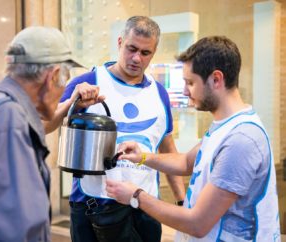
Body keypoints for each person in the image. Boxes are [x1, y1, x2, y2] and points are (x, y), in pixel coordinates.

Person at [106, 36, 281, 241]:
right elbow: (187, 161)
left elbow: (197, 223)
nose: (184, 91)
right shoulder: (225, 127)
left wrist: (136, 196)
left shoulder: (241, 140)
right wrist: (142, 157)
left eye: (190, 82)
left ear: (216, 79)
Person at [46, 16, 185, 242]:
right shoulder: (88, 82)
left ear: (154, 52)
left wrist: (181, 201)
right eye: (131, 48)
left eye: (145, 53)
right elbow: (47, 124)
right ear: (120, 43)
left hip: (145, 207)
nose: (136, 58)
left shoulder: (159, 92)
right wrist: (72, 101)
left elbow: (168, 149)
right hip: (93, 206)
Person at [0, 26, 98, 241]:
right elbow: (11, 228)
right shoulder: (9, 121)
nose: (63, 89)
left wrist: (70, 104)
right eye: (65, 80)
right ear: (54, 76)